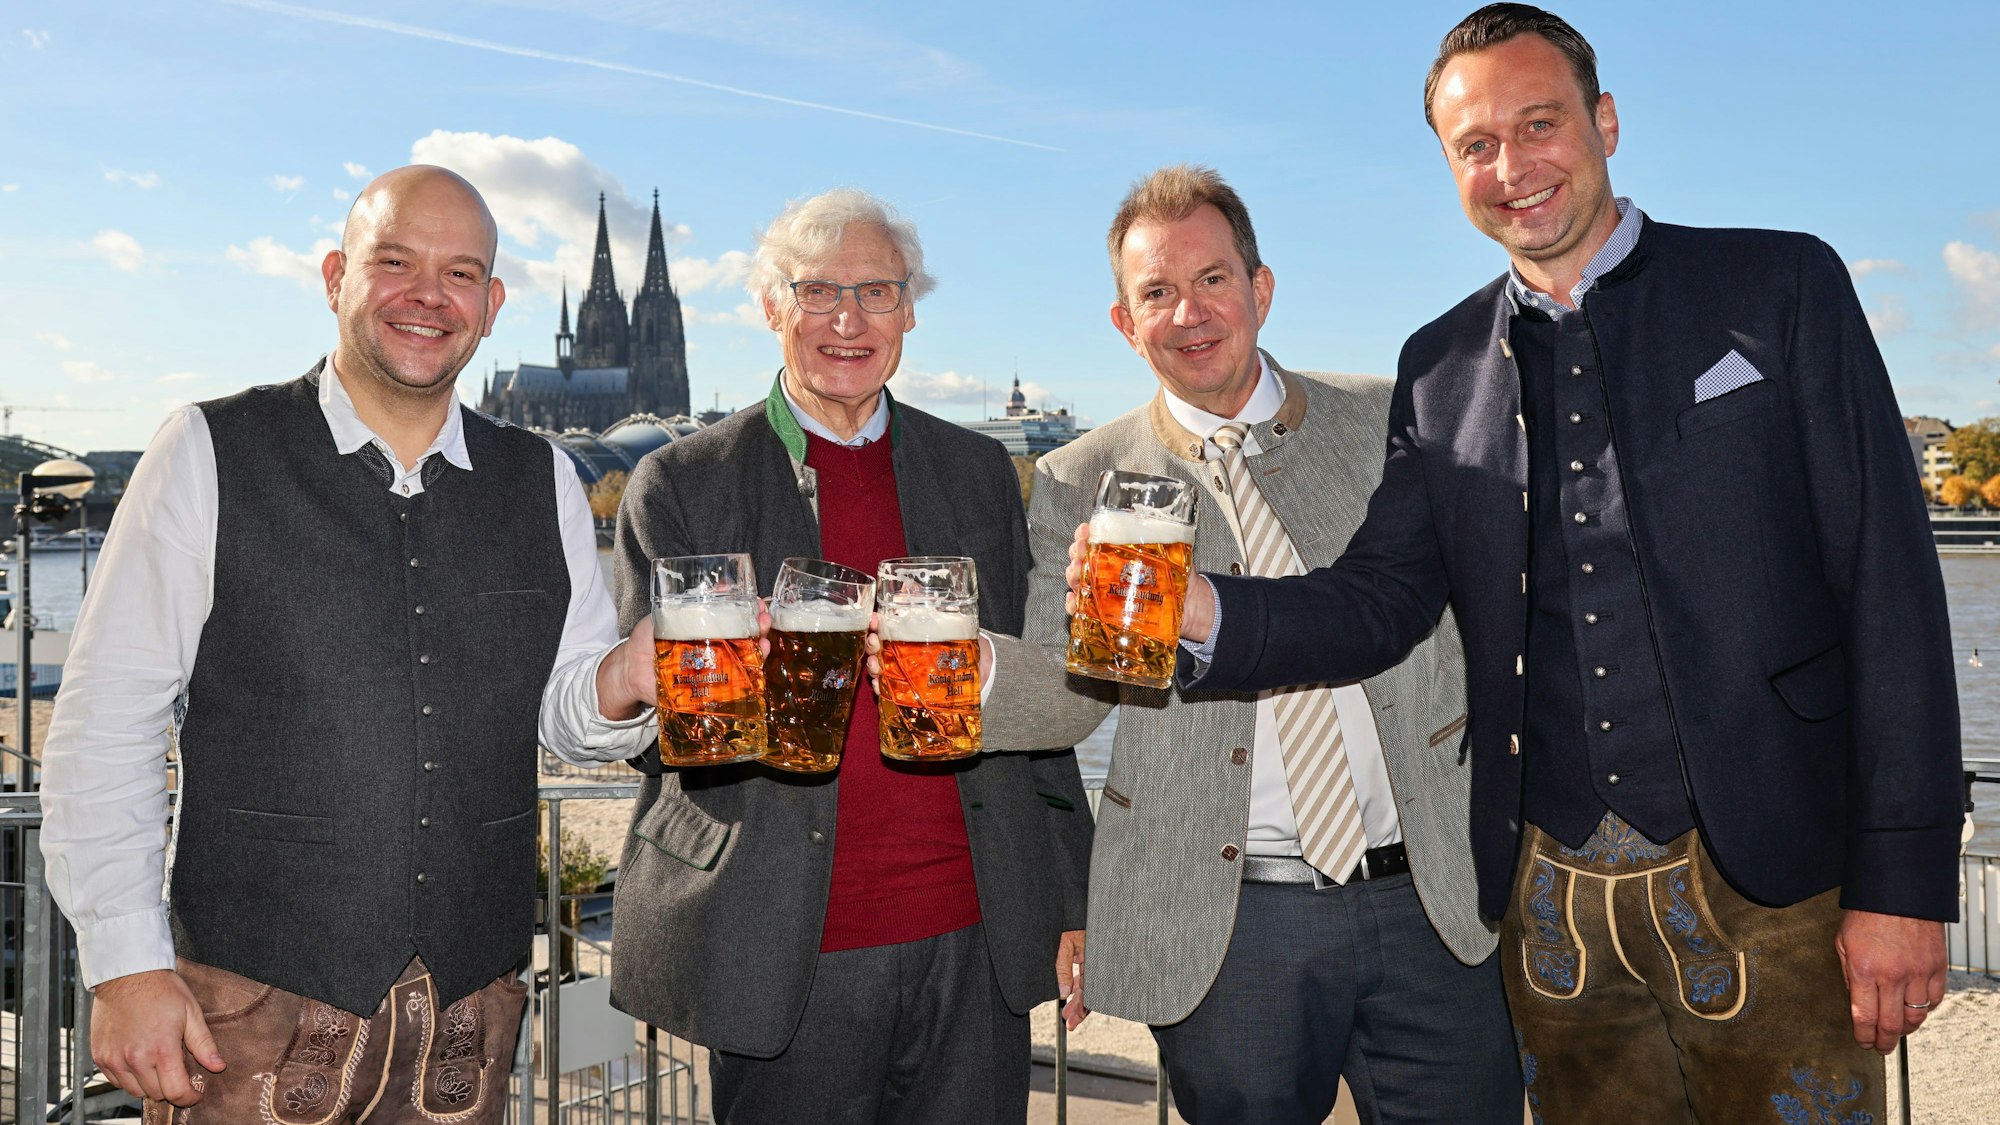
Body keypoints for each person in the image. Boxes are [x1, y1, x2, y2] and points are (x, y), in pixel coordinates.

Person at [1146, 6, 1961, 1120]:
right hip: (1549, 909)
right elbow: (1380, 599)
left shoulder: (1778, 289)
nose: (1510, 167)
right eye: (1473, 145)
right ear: (1447, 166)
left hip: (1777, 885)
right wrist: (1197, 609)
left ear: (1605, 122)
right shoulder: (1435, 368)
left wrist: (1903, 883)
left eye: (1538, 125)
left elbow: (1890, 593)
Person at [39, 166, 659, 1122]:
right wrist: (125, 966)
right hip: (245, 1008)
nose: (428, 295)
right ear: (337, 276)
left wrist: (622, 678)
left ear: (492, 306)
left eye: (461, 273)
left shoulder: (545, 479)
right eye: (395, 261)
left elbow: (569, 717)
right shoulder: (207, 449)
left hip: (469, 1015)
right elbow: (106, 718)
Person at [982, 165, 1519, 1123]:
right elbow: (1073, 693)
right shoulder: (1078, 477)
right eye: (1157, 292)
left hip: (1432, 894)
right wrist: (955, 673)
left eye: (1213, 280)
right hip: (1226, 925)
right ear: (1124, 322)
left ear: (1261, 289)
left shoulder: (1385, 413)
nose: (1189, 312)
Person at [588, 188, 1093, 1125]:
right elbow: (652, 736)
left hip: (972, 936)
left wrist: (1072, 892)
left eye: (876, 292)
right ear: (771, 307)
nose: (847, 320)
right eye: (817, 292)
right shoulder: (681, 479)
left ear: (909, 312)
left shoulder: (978, 471)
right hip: (780, 943)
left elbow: (1026, 706)